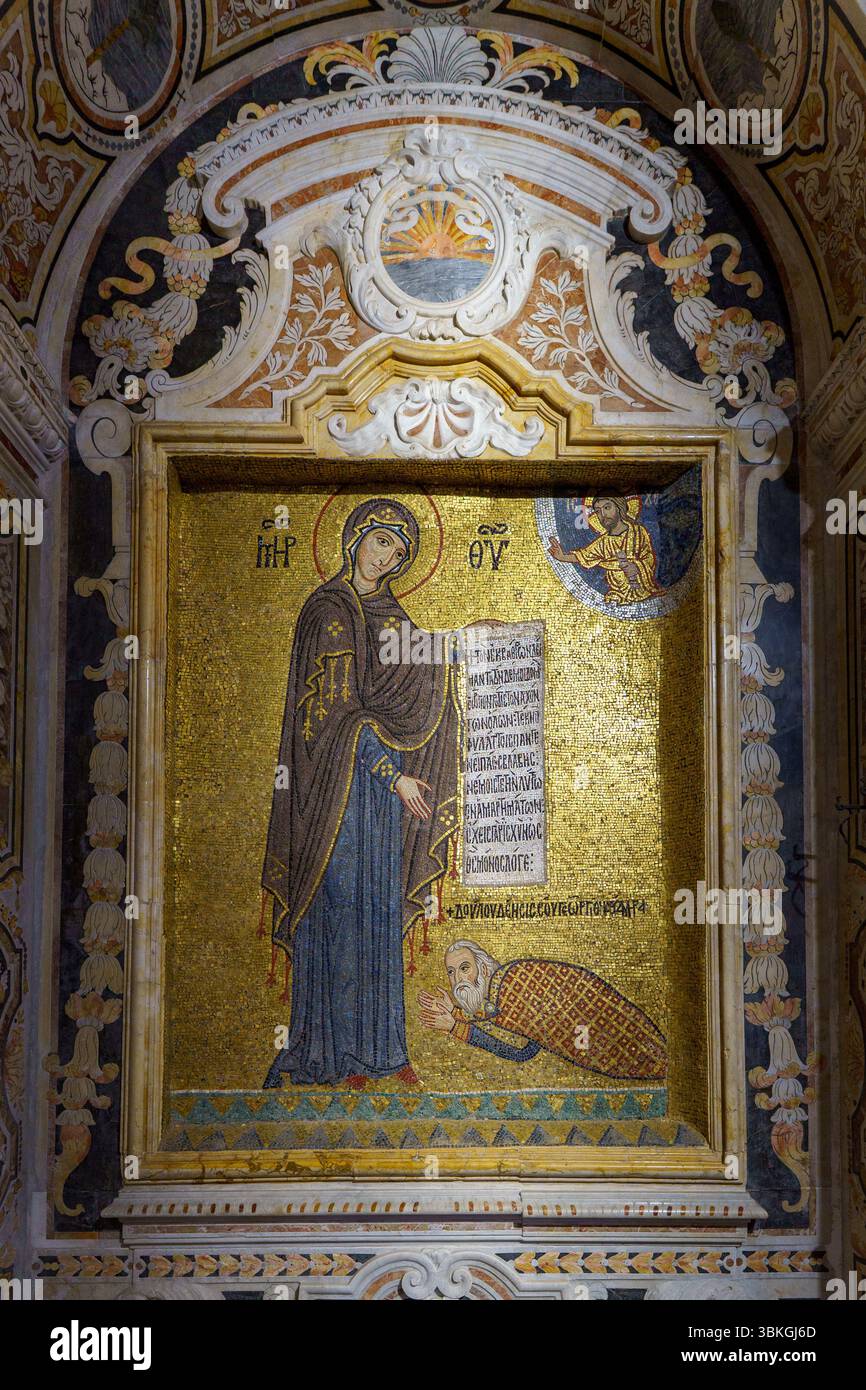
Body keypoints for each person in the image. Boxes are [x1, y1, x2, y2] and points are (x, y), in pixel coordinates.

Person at [261, 498, 461, 1089]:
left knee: (376, 913)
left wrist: (464, 647)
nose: (389, 559)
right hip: (333, 800)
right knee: (339, 914)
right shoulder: (328, 610)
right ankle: (331, 1054)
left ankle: (384, 1053)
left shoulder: (392, 616)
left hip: (378, 808)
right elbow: (334, 718)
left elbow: (420, 685)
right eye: (381, 543)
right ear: (354, 540)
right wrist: (391, 774)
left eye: (400, 553)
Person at [419, 939, 667, 1079]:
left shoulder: (514, 984)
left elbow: (520, 1050)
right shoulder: (499, 991)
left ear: (483, 968)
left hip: (616, 1035)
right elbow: (493, 1015)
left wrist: (455, 1025)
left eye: (464, 968)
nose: (457, 979)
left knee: (644, 1058)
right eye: (451, 972)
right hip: (604, 1045)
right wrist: (455, 1014)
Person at [549, 495, 664, 604]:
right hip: (618, 592)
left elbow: (649, 557)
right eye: (598, 511)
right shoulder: (604, 542)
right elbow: (584, 556)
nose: (603, 514)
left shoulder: (638, 532)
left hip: (642, 587)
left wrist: (637, 567)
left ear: (619, 508)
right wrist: (562, 557)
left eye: (607, 507)